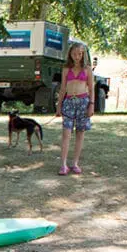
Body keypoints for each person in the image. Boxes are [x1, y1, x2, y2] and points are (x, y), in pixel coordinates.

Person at [57, 42, 95, 175]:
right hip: (68, 102)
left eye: (79, 54)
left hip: (83, 102)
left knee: (80, 133)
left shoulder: (88, 69)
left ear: (83, 54)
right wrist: (59, 105)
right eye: (74, 54)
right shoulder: (66, 69)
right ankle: (63, 164)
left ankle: (75, 163)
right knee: (66, 134)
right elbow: (62, 88)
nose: (77, 56)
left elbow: (91, 88)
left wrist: (91, 104)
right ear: (70, 54)